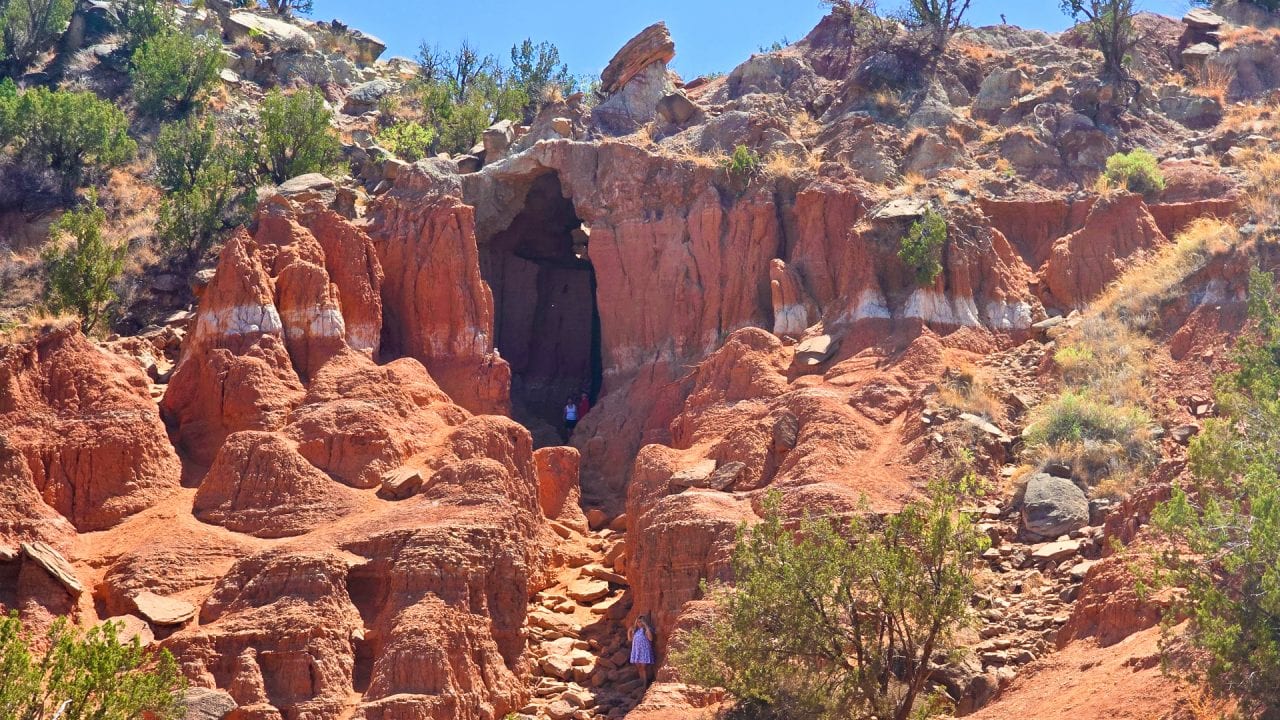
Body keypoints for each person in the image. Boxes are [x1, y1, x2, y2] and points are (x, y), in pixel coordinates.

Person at [630, 615, 655, 687]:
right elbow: (631, 640)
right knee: (639, 667)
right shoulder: (636, 631)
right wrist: (629, 632)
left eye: (641, 622)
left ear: (644, 622)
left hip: (644, 651)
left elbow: (650, 639)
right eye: (638, 622)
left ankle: (645, 684)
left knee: (644, 668)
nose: (639, 623)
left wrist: (646, 626)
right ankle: (641, 681)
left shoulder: (646, 630)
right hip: (637, 650)